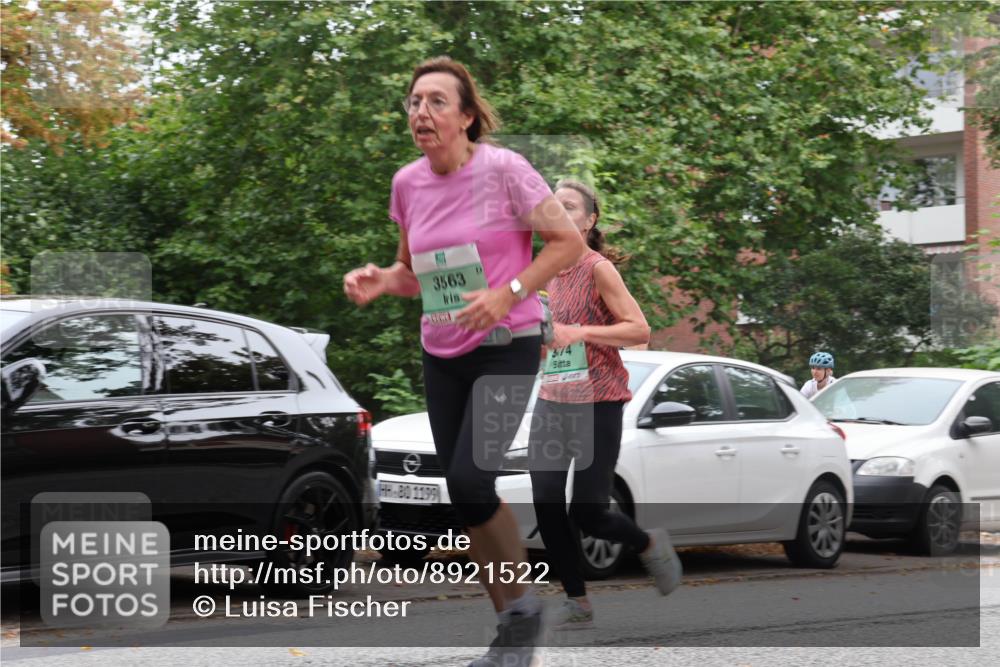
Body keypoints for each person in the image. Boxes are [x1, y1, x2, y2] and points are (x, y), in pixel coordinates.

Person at [343, 57, 585, 667]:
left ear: (467, 117)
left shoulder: (505, 171)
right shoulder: (407, 183)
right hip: (442, 351)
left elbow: (567, 244)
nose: (421, 112)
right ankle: (512, 636)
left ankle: (525, 609)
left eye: (436, 102)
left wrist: (508, 292)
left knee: (475, 481)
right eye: (414, 102)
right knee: (462, 492)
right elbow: (412, 273)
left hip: (506, 346)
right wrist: (380, 279)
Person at [529, 179, 682, 631]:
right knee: (545, 500)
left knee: (589, 512)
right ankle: (578, 600)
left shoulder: (599, 269)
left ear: (590, 220)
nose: (559, 213)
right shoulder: (545, 271)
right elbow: (550, 341)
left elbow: (639, 330)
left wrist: (581, 332)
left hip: (598, 402)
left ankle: (648, 544)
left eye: (570, 207)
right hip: (554, 399)